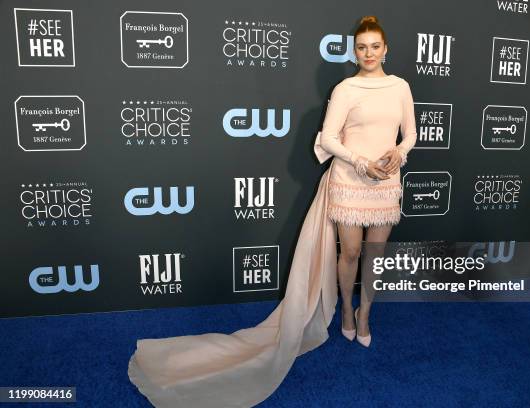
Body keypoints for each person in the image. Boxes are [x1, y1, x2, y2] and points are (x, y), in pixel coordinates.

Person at [127, 15, 417, 408]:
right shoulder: (346, 88)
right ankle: (346, 312)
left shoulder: (400, 87)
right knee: (349, 253)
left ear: (386, 48)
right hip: (351, 181)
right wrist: (362, 162)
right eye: (361, 47)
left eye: (375, 46)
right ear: (355, 51)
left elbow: (411, 133)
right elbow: (329, 138)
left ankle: (365, 314)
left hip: (386, 184)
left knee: (374, 258)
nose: (368, 53)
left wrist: (397, 153)